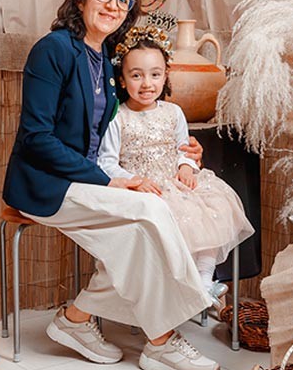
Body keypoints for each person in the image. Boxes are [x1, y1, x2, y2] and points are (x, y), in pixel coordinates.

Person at [2, 0, 220, 370]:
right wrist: (109, 180)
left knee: (135, 235)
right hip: (47, 185)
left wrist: (183, 151)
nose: (113, 4)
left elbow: (123, 128)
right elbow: (35, 138)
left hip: (87, 179)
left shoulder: (103, 57)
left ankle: (78, 318)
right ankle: (172, 326)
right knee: (152, 211)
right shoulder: (53, 49)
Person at [98, 26, 255, 310]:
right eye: (136, 75)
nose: (147, 83)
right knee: (174, 220)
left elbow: (185, 148)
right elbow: (106, 162)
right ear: (122, 79)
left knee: (213, 210)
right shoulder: (117, 118)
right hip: (147, 187)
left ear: (165, 76)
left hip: (177, 182)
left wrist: (186, 166)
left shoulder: (173, 112)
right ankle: (186, 285)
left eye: (155, 74)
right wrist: (133, 180)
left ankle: (204, 280)